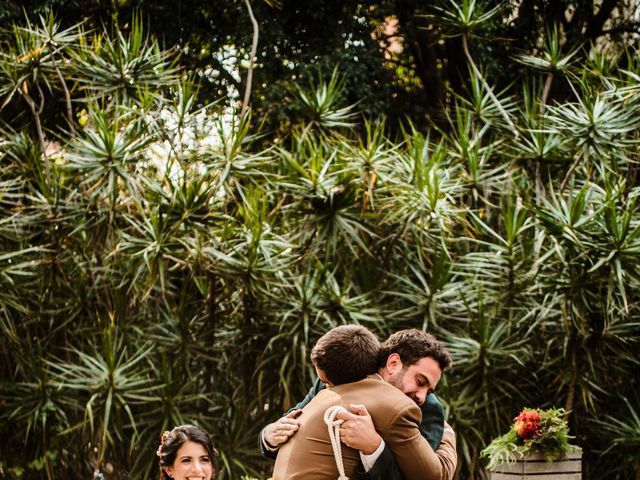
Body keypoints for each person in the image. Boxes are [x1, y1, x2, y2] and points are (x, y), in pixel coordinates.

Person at [260, 328, 457, 480]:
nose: (422, 395)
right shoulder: (341, 371)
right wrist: (269, 435)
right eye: (420, 381)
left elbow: (414, 474)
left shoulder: (425, 408)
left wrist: (373, 447)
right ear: (393, 363)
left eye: (430, 390)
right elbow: (297, 420)